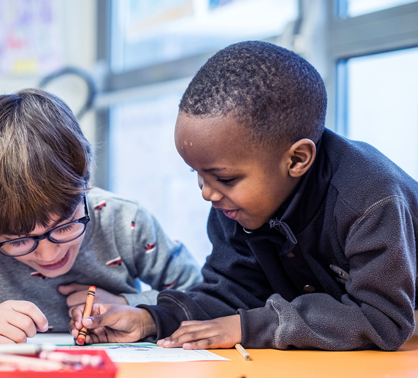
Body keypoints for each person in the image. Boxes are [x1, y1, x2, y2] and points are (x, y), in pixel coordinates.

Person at [74, 40, 418, 351]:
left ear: (296, 160)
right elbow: (232, 291)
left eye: (224, 177)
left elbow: (382, 319)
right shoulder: (236, 203)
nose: (207, 192)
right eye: (197, 173)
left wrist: (249, 326)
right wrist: (152, 318)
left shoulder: (371, 201)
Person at [0, 88, 202, 346]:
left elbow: (205, 294)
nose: (48, 254)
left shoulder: (126, 223)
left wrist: (133, 305)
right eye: (19, 241)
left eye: (66, 226)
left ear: (85, 184)